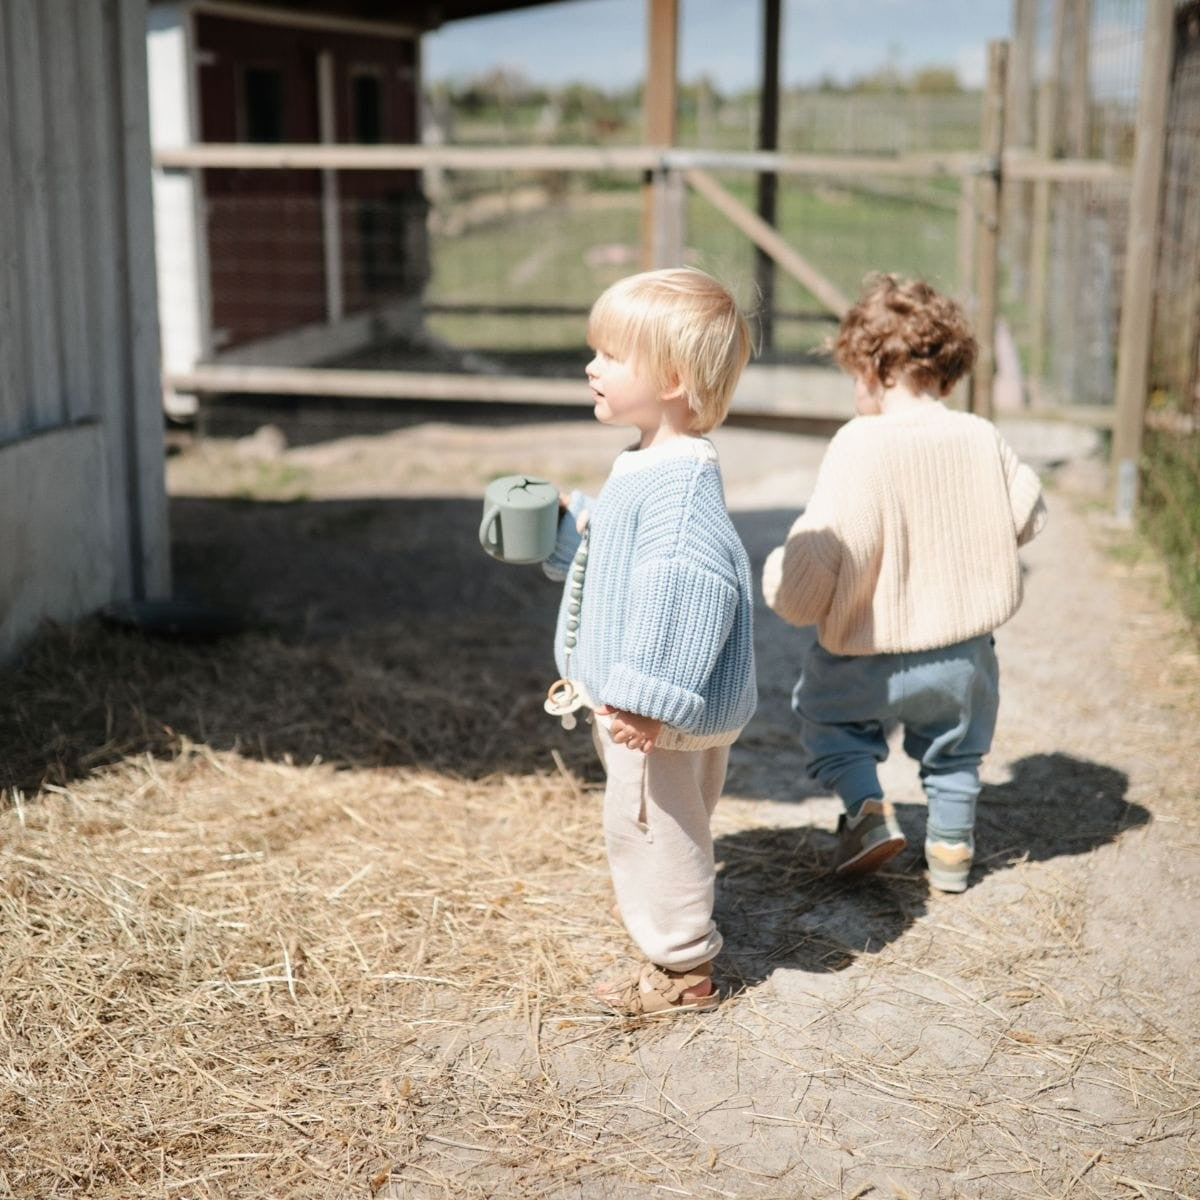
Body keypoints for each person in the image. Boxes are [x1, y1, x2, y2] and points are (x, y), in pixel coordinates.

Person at [762, 274, 1047, 892]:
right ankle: (950, 850)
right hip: (962, 656)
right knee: (956, 751)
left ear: (870, 367)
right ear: (947, 372)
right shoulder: (979, 435)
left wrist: (783, 587)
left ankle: (865, 811)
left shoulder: (857, 445)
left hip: (866, 653)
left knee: (830, 723)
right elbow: (1028, 511)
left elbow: (823, 549)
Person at [542, 267, 756, 1014]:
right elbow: (625, 561)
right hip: (647, 704)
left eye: (610, 355)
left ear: (669, 377)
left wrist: (644, 696)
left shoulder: (680, 486)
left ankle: (680, 968)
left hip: (654, 711)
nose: (591, 367)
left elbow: (684, 589)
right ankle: (659, 911)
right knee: (661, 823)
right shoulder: (648, 463)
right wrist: (573, 536)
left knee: (655, 826)